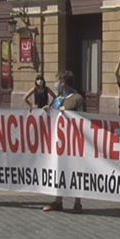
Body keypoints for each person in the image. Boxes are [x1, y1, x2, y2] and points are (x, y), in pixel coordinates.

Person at [43, 71, 85, 213]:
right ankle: (58, 201)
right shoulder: (58, 98)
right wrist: (48, 110)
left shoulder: (77, 98)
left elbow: (82, 118)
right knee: (57, 169)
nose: (57, 84)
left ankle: (77, 202)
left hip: (72, 141)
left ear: (64, 82)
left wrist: (66, 111)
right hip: (57, 141)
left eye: (59, 81)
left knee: (75, 171)